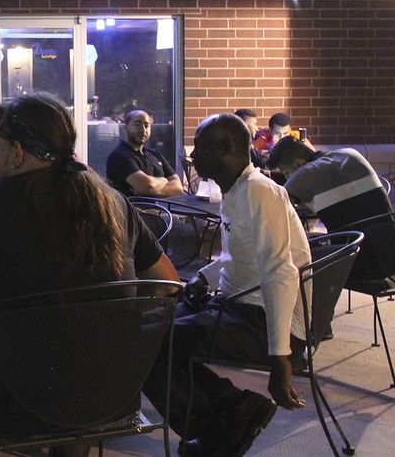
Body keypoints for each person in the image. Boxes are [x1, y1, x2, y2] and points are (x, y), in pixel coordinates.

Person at [0, 95, 180, 456]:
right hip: (115, 394)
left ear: (16, 150)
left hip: (21, 399)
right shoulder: (111, 200)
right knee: (78, 374)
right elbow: (169, 286)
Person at [143, 113, 311, 457]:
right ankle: (234, 413)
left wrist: (280, 358)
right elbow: (239, 259)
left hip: (263, 320)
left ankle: (223, 425)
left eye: (200, 148)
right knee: (149, 330)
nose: (193, 156)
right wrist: (200, 280)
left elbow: (280, 272)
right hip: (239, 306)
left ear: (226, 149)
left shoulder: (261, 193)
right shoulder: (238, 191)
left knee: (149, 345)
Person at [267, 136, 392, 232]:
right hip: (388, 241)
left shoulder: (305, 173)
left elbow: (272, 210)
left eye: (287, 173)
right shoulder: (350, 153)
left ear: (298, 163)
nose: (288, 178)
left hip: (352, 253)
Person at [105, 109, 183, 198]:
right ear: (126, 128)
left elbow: (178, 187)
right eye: (137, 125)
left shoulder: (155, 155)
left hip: (163, 209)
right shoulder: (119, 156)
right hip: (137, 210)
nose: (143, 130)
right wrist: (164, 180)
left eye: (146, 125)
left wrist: (152, 191)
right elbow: (148, 186)